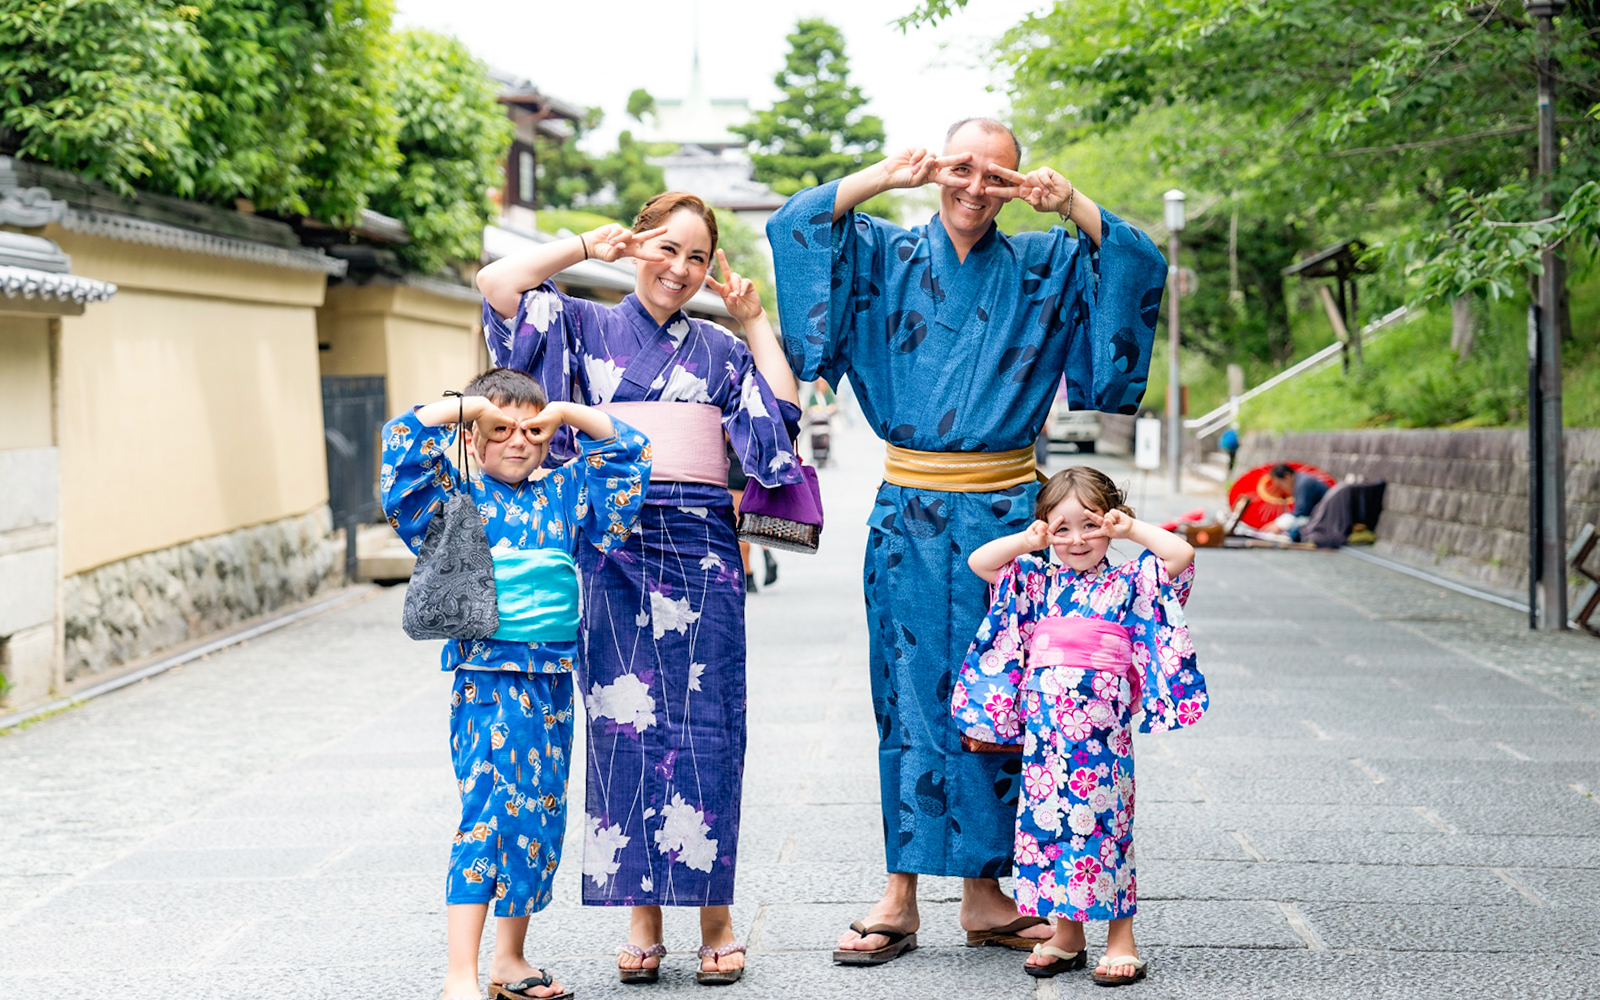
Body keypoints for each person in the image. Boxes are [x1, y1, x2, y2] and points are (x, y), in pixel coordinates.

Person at [768, 117, 1167, 963]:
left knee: (1010, 697)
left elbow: (1137, 260)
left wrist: (1073, 204)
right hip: (910, 511)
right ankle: (901, 892)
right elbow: (797, 226)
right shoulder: (883, 252)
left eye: (998, 176)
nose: (975, 189)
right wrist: (883, 176)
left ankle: (988, 895)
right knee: (906, 693)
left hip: (1013, 522)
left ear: (1019, 185)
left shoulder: (1048, 261)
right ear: (937, 167)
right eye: (960, 170)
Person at [475, 192, 803, 985]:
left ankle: (715, 910)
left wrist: (755, 320)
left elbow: (779, 425)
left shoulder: (721, 351)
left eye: (697, 257)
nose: (681, 269)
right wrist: (589, 242)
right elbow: (499, 283)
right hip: (610, 540)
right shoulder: (583, 323)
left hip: (701, 546)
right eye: (667, 249)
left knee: (708, 724)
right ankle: (641, 911)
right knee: (623, 724)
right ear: (638, 248)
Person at [380, 368, 650, 1000]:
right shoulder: (455, 499)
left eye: (531, 431)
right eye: (498, 430)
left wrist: (565, 412)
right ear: (473, 438)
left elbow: (629, 451)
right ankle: (459, 975)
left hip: (553, 679)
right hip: (488, 678)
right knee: (489, 815)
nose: (517, 441)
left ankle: (509, 958)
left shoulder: (563, 491)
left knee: (537, 817)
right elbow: (400, 441)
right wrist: (467, 406)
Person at [958, 466, 1206, 987]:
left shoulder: (1129, 578)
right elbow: (981, 562)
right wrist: (1028, 539)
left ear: (1112, 523)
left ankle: (1121, 938)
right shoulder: (1034, 578)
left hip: (1101, 734)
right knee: (1047, 826)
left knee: (1105, 824)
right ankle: (1067, 933)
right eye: (1062, 528)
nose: (1077, 540)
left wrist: (1130, 529)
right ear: (1046, 528)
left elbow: (1180, 555)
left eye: (1091, 525)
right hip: (1046, 732)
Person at [1269, 463, 1330, 541]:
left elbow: (1302, 511)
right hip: (1320, 517)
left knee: (1295, 533)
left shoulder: (1303, 483)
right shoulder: (1300, 481)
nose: (1283, 489)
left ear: (1287, 476)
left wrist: (1280, 524)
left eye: (1281, 485)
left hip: (1325, 521)